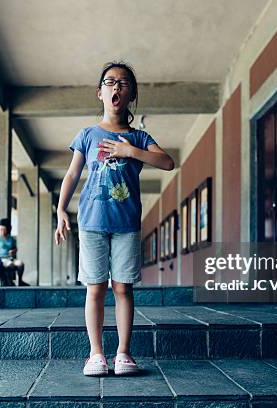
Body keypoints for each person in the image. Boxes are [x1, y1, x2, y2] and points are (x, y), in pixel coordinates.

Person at [55, 61, 174, 376]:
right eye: (109, 82)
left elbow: (167, 162)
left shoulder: (138, 137)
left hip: (126, 225)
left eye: (123, 83)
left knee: (123, 288)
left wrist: (130, 151)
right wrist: (60, 210)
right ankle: (96, 354)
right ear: (100, 92)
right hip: (92, 222)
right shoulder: (87, 134)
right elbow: (71, 174)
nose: (116, 87)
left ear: (131, 94)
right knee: (95, 288)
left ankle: (123, 353)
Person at [0, 218, 29, 286]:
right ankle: (9, 281)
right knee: (10, 264)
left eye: (3, 229)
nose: (1, 231)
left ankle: (20, 280)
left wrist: (13, 251)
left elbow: (15, 248)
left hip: (9, 258)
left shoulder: (10, 238)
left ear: (7, 229)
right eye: (0, 229)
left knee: (20, 264)